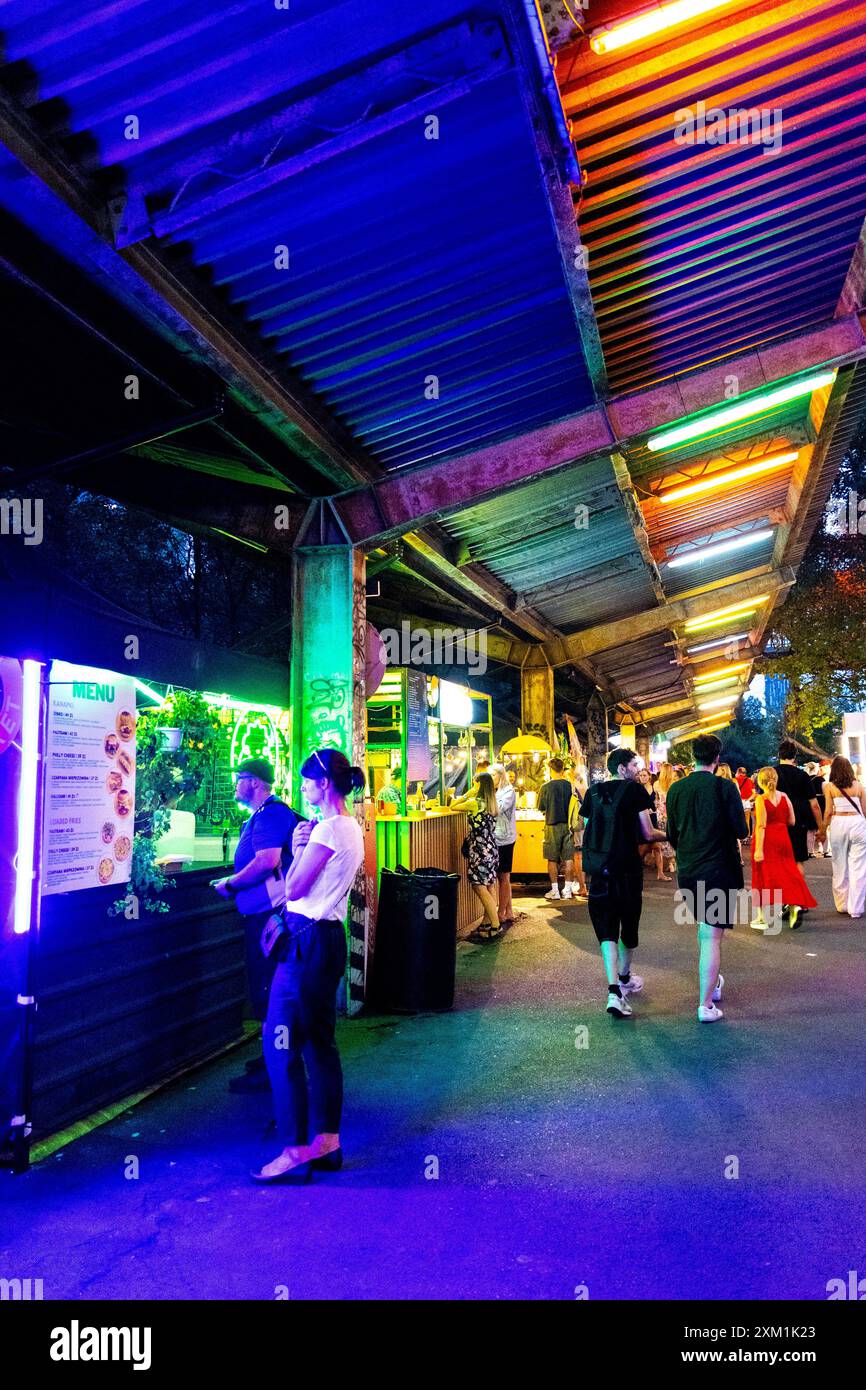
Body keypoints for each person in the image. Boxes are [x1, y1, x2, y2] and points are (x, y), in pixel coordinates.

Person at [252, 748, 365, 1185]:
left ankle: (294, 1149)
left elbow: (293, 891)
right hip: (329, 939)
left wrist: (294, 852)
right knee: (320, 1044)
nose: (301, 789)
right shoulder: (350, 827)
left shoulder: (327, 831)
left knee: (279, 1046)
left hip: (306, 942)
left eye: (305, 782)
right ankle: (328, 1142)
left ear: (323, 785)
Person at [212, 758, 305, 1093]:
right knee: (267, 991)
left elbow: (267, 861)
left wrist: (231, 883)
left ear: (253, 782)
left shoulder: (270, 814)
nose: (235, 784)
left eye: (239, 779)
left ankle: (276, 1067)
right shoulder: (264, 814)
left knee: (269, 993)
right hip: (264, 915)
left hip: (270, 917)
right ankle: (272, 1058)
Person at [665, 734, 748, 1023]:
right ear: (717, 758)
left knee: (705, 931)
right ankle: (705, 1004)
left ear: (692, 756)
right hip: (719, 869)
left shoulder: (676, 789)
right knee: (712, 936)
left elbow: (671, 834)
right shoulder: (726, 787)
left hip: (688, 869)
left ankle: (713, 984)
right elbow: (741, 830)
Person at [580, 748, 666, 1018]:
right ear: (621, 768)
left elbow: (586, 828)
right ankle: (625, 976)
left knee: (606, 929)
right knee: (628, 926)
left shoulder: (592, 793)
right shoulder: (635, 791)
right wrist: (674, 834)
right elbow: (648, 832)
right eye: (633, 765)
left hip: (599, 871)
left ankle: (614, 989)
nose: (637, 770)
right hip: (627, 869)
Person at [751, 766, 817, 931]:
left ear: (760, 781)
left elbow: (761, 825)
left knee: (762, 876)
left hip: (767, 840)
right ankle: (794, 905)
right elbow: (792, 821)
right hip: (784, 838)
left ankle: (761, 917)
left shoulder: (761, 799)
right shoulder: (784, 796)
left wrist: (758, 849)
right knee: (788, 872)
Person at [452, 773, 502, 941]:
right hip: (491, 848)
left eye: (475, 784)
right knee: (488, 886)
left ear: (479, 786)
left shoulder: (475, 803)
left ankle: (495, 924)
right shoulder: (492, 804)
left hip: (479, 850)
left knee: (479, 886)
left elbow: (453, 805)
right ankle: (488, 922)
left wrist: (468, 793)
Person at [774, 742, 821, 918]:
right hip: (799, 823)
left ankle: (787, 902)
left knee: (781, 863)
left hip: (778, 823)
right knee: (798, 861)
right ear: (795, 756)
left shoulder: (773, 773)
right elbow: (814, 804)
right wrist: (821, 826)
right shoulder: (802, 776)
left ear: (779, 754)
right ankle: (799, 900)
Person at [822, 756, 866, 918]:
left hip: (839, 822)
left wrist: (822, 830)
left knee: (839, 865)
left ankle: (842, 904)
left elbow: (827, 811)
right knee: (858, 867)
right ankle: (856, 908)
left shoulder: (829, 787)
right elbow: (865, 810)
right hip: (857, 823)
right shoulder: (859, 786)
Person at [539, 757, 577, 900]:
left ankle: (555, 890)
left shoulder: (545, 787)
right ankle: (567, 890)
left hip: (551, 825)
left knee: (552, 859)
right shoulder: (570, 786)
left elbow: (541, 807)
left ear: (550, 769)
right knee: (568, 859)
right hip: (568, 826)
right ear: (562, 770)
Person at [491, 763, 519, 925]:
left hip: (505, 839)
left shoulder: (508, 791)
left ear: (501, 776)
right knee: (502, 876)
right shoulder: (494, 791)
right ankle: (509, 910)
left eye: (493, 776)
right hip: (495, 837)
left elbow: (498, 809)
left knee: (504, 875)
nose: (491, 779)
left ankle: (501, 912)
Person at [638, 767, 672, 881]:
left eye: (644, 775)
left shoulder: (654, 789)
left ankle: (660, 873)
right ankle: (634, 870)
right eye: (641, 775)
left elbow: (658, 803)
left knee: (657, 847)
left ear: (649, 776)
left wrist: (655, 808)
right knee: (643, 847)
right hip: (641, 820)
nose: (642, 777)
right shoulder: (637, 789)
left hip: (652, 819)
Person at [654, 762, 677, 877]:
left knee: (663, 837)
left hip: (661, 813)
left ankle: (668, 862)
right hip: (672, 813)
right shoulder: (675, 784)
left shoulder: (656, 784)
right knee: (673, 836)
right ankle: (673, 861)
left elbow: (656, 800)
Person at [568, 768, 589, 898]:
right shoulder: (585, 786)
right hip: (585, 823)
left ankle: (582, 886)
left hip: (578, 823)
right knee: (581, 855)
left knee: (578, 855)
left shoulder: (573, 787)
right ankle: (581, 884)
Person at [735, 767, 755, 839]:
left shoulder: (735, 780)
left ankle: (739, 837)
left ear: (738, 772)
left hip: (738, 802)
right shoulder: (749, 780)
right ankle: (747, 837)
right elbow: (754, 793)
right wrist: (748, 800)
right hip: (747, 802)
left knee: (737, 820)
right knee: (747, 820)